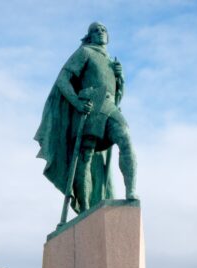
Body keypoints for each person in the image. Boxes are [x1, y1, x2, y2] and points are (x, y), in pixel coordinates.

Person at [34, 22, 138, 214]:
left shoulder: (111, 62)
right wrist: (76, 102)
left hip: (108, 105)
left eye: (103, 30)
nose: (100, 32)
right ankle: (86, 209)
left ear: (108, 36)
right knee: (86, 157)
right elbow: (62, 80)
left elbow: (116, 96)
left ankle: (131, 190)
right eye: (95, 30)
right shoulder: (85, 52)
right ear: (89, 36)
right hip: (91, 105)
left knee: (125, 138)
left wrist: (120, 78)